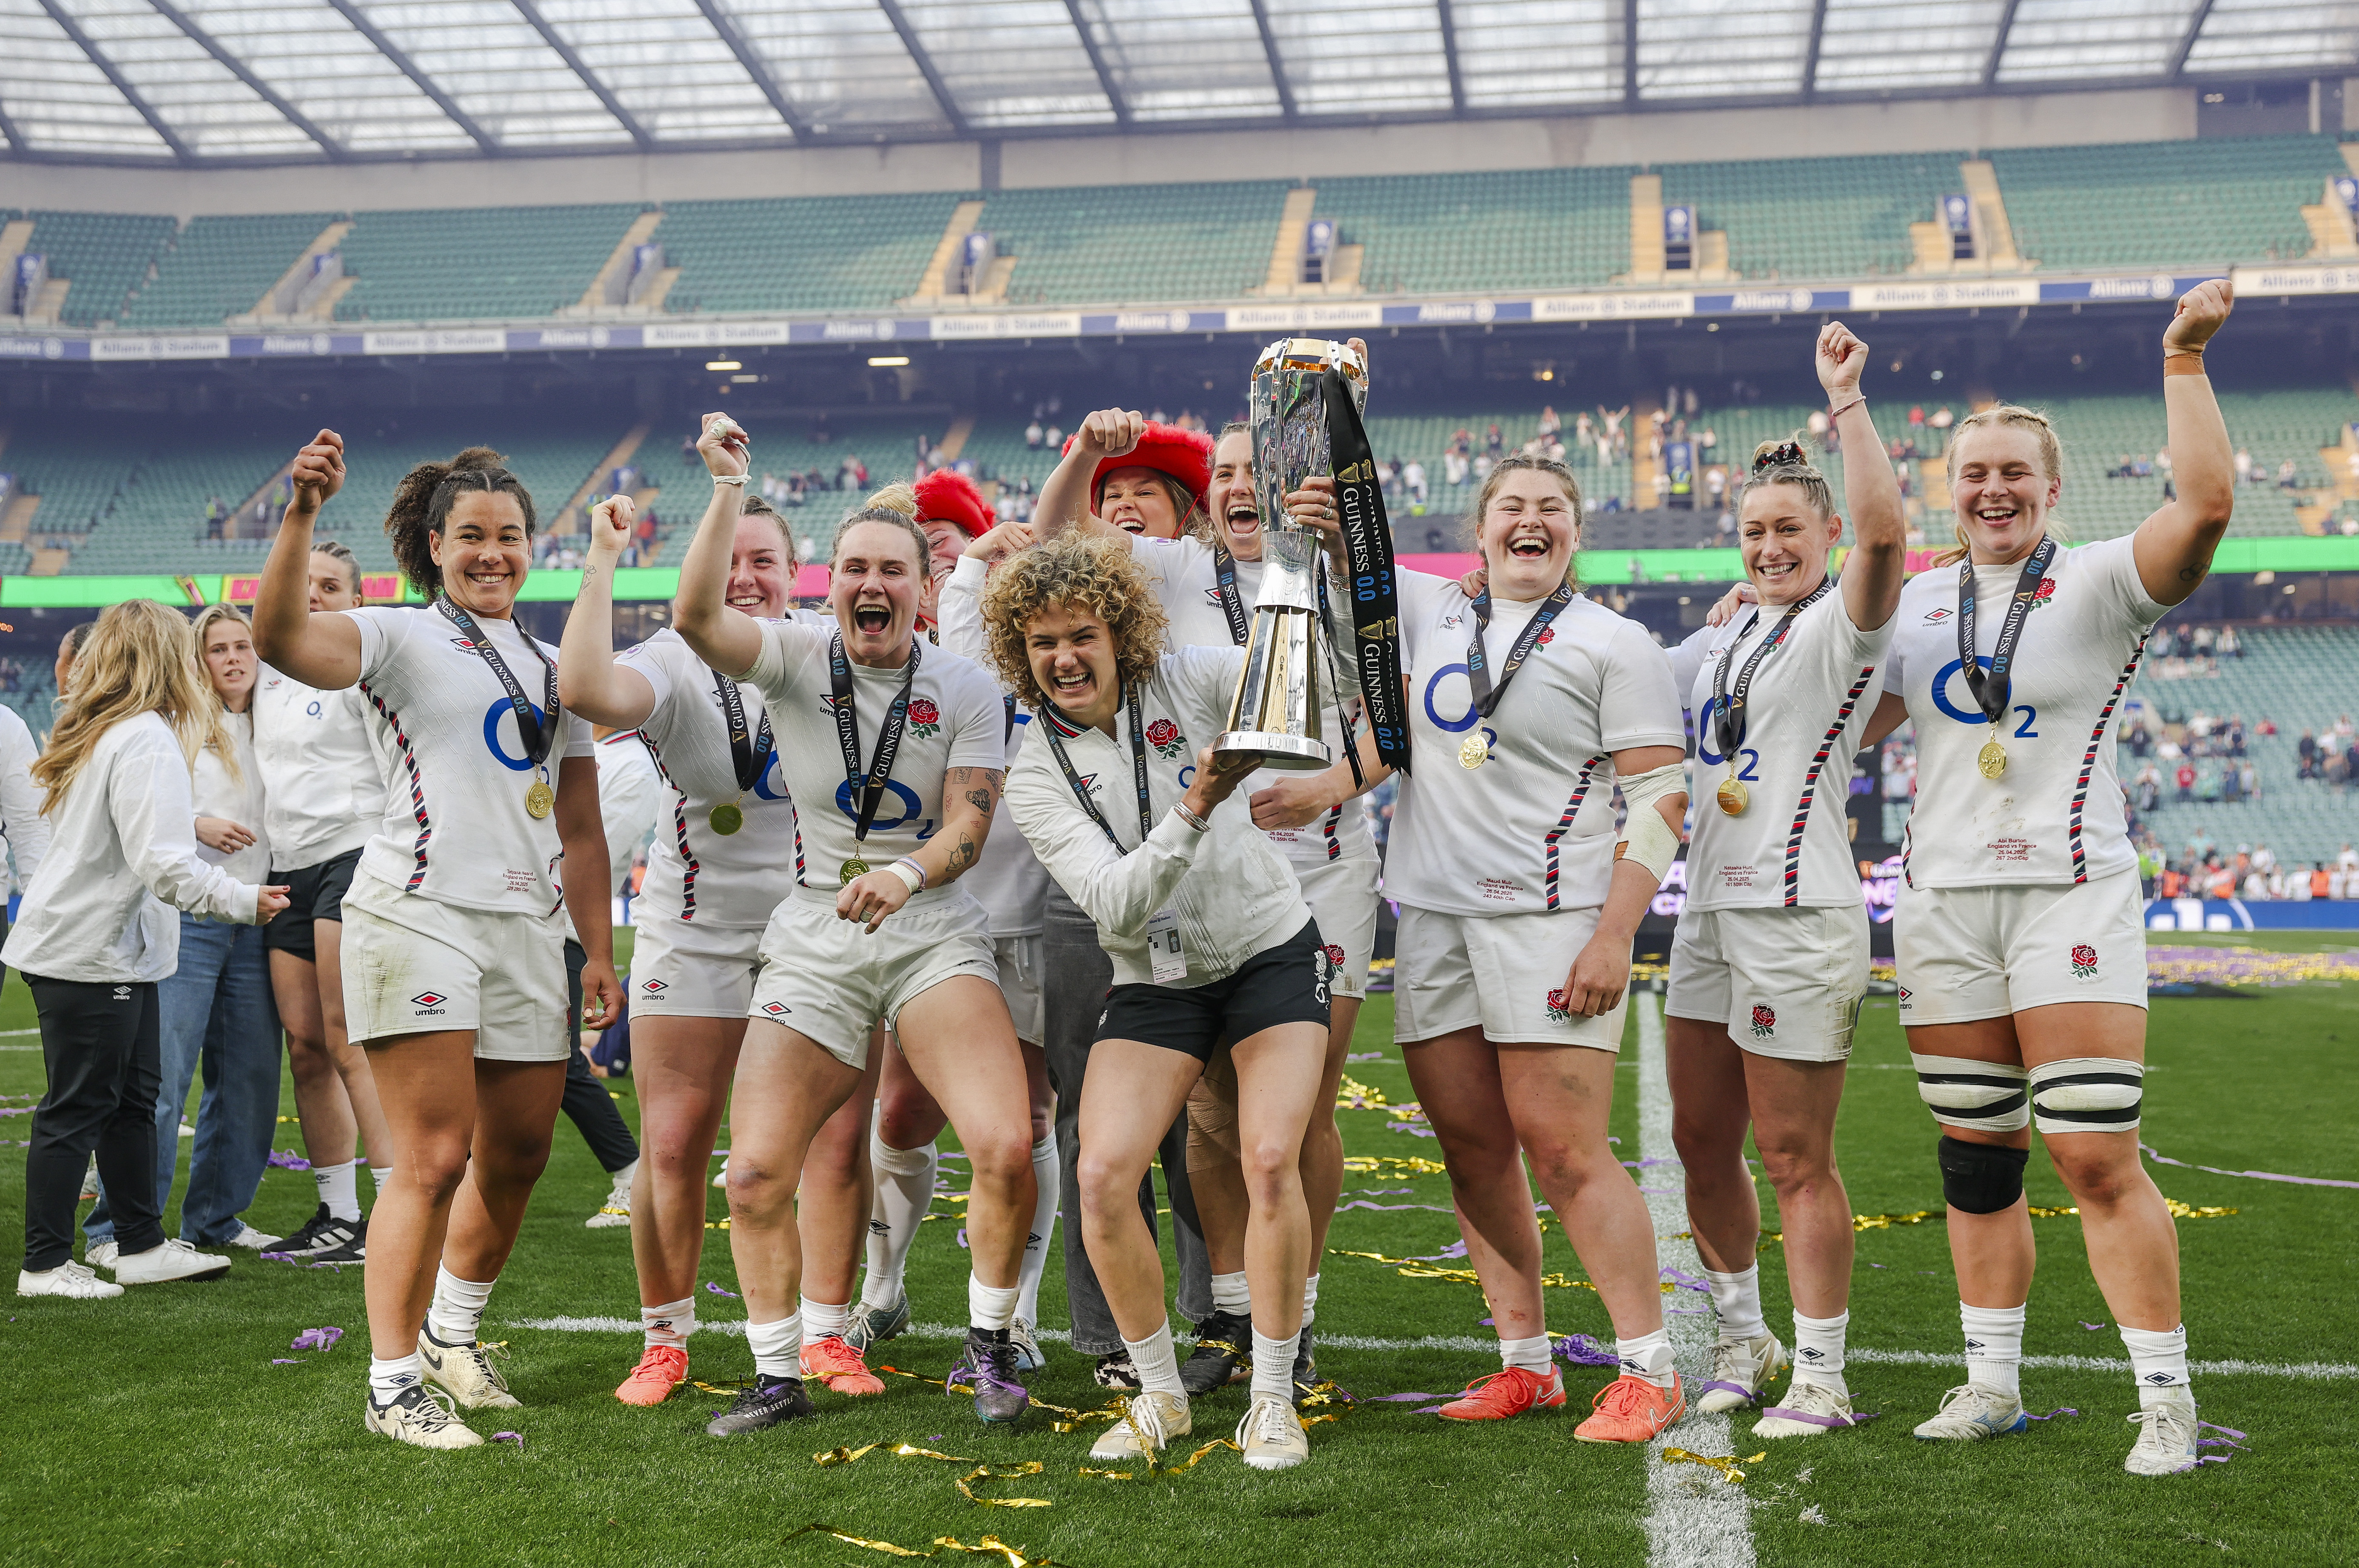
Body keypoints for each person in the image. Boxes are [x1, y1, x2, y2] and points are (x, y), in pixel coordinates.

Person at [1859, 281, 2238, 1474]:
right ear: (1948, 488)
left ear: (2050, 485)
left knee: (2091, 1154)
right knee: (1976, 1161)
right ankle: (1990, 1385)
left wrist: (2180, 358)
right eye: (1974, 473)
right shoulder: (1907, 604)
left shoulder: (2103, 580)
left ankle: (2165, 1400)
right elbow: (1834, 722)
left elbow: (2208, 503)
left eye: (2014, 471)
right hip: (1942, 906)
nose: (1993, 490)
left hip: (2070, 892)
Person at [1281, 453, 1692, 1441]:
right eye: (1511, 505)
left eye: (1552, 507)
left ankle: (1648, 1365)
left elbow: (1660, 802)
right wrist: (1325, 466)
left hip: (1553, 921)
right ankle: (1526, 1362)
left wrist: (1612, 933)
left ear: (1574, 533)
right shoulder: (1434, 610)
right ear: (1479, 529)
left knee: (1564, 1149)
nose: (1531, 519)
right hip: (1430, 916)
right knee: (1470, 1148)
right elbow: (1352, 540)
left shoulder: (1614, 640)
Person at [670, 414, 1039, 1436]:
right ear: (829, 584)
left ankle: (991, 1348)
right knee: (751, 1173)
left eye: (892, 570)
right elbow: (698, 616)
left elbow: (971, 820)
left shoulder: (965, 685)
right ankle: (777, 1371)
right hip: (812, 934)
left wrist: (906, 872)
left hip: (931, 925)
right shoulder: (792, 659)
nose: (871, 585)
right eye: (853, 569)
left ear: (924, 589)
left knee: (1005, 1143)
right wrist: (726, 493)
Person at [252, 434, 621, 1450]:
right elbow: (282, 637)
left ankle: (453, 1339)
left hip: (528, 927)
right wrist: (301, 511)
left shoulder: (559, 667)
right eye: (471, 536)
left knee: (520, 1150)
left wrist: (595, 948)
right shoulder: (400, 636)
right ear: (434, 543)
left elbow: (580, 826)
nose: (492, 551)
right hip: (417, 912)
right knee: (431, 1154)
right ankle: (390, 1380)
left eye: (509, 535)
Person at [992, 533, 1327, 1471]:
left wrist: (1308, 565)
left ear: (1120, 633)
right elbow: (1114, 902)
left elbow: (1295, 677)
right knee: (1101, 1177)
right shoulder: (1033, 769)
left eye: (1081, 633)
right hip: (1156, 977)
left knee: (1268, 1157)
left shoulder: (1186, 677)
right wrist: (1198, 801)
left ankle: (1270, 1396)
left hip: (1267, 951)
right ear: (1021, 655)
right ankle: (1161, 1396)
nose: (1062, 656)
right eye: (1041, 641)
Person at [1657, 324, 1906, 1440]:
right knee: (1699, 1142)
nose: (1768, 547)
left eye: (1788, 531)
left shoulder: (1842, 631)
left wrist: (1843, 402)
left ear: (1826, 537)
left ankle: (1822, 1376)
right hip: (1706, 916)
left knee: (1796, 1157)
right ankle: (1745, 1336)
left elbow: (1890, 538)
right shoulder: (1716, 642)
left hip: (1798, 914)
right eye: (1753, 531)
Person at [558, 476, 824, 1407]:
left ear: (797, 574)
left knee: (826, 1147)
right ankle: (664, 1339)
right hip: (694, 926)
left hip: (815, 929)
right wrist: (601, 557)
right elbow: (584, 689)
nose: (745, 578)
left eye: (765, 561)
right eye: (731, 559)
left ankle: (826, 1334)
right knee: (671, 1146)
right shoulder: (670, 657)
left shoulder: (830, 650)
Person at [12, 599, 288, 1301]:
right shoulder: (145, 738)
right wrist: (240, 899)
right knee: (79, 1108)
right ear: (174, 660)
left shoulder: (114, 729)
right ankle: (45, 1263)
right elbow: (162, 862)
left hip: (106, 950)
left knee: (134, 1100)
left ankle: (137, 1243)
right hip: (90, 953)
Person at [854, 472, 1063, 1381]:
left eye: (950, 541)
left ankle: (1010, 1316)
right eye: (920, 545)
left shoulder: (1021, 640)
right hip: (923, 912)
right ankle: (881, 1288)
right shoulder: (869, 655)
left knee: (1029, 1114)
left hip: (1027, 901)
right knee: (899, 1107)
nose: (936, 558)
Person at [83, 605, 288, 1264]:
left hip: (256, 918)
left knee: (251, 1078)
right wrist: (197, 823)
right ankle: (116, 1231)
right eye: (217, 649)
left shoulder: (277, 724)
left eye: (243, 647)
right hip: (191, 918)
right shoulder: (174, 726)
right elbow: (142, 805)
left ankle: (217, 1219)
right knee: (162, 1079)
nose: (233, 659)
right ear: (195, 661)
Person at [252, 539, 394, 1266]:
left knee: (349, 1038)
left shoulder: (362, 671)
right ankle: (338, 1214)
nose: (313, 596)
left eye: (330, 585)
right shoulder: (263, 674)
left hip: (353, 855)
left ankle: (394, 1213)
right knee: (306, 1047)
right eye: (303, 584)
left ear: (356, 599)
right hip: (285, 870)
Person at [1033, 415, 1212, 542]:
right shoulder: (1081, 584)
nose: (1124, 504)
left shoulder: (1215, 566)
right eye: (1113, 496)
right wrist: (1085, 452)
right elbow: (1057, 530)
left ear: (1185, 509)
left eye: (1144, 493)